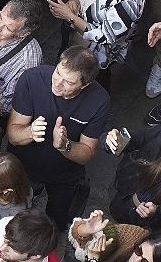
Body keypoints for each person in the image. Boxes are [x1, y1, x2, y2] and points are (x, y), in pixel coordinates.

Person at [6, 48, 109, 229]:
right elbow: (13, 135)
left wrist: (64, 145)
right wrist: (30, 132)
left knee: (57, 221)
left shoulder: (99, 101)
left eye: (68, 82)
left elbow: (87, 153)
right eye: (58, 73)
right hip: (23, 167)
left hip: (64, 176)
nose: (58, 83)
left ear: (84, 85)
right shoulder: (32, 79)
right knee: (13, 212)